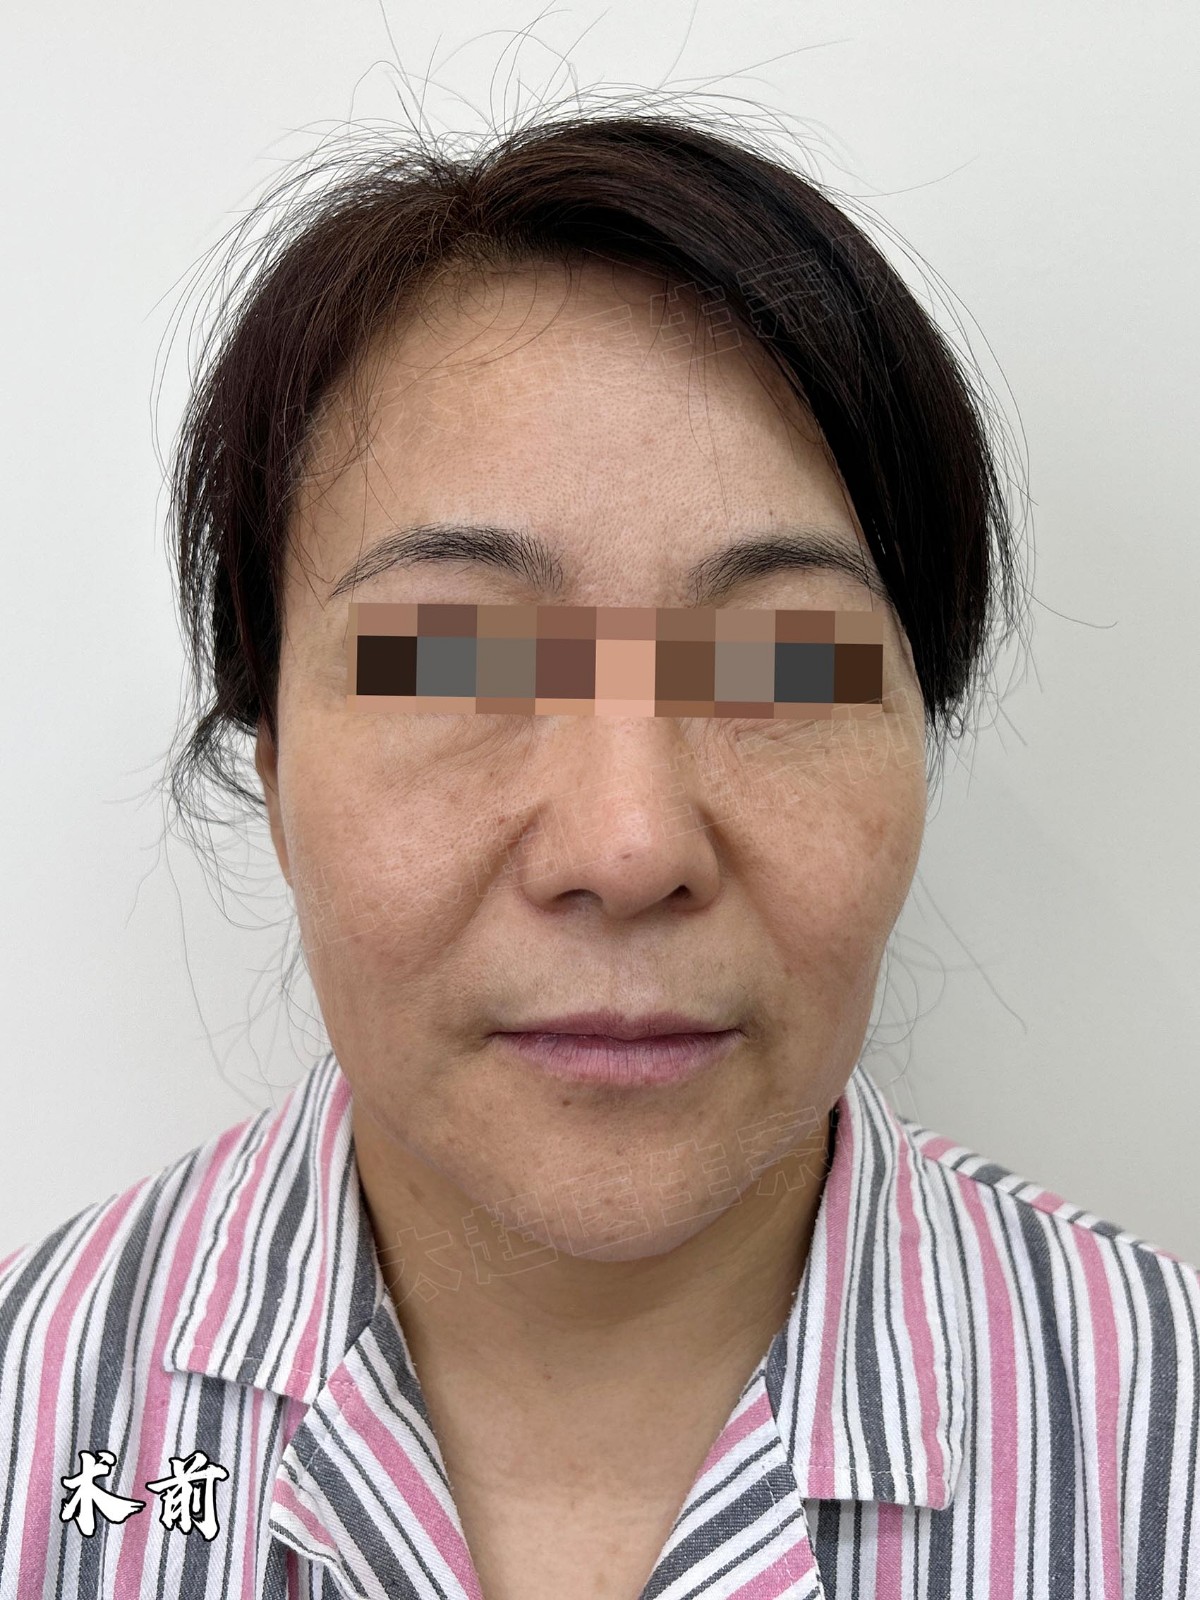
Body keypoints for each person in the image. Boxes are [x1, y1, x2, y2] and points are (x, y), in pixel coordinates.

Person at [1, 107, 1196, 1600]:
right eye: (452, 661)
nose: (628, 847)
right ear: (276, 766)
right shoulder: (37, 1419)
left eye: (779, 665)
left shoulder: (1163, 1442)